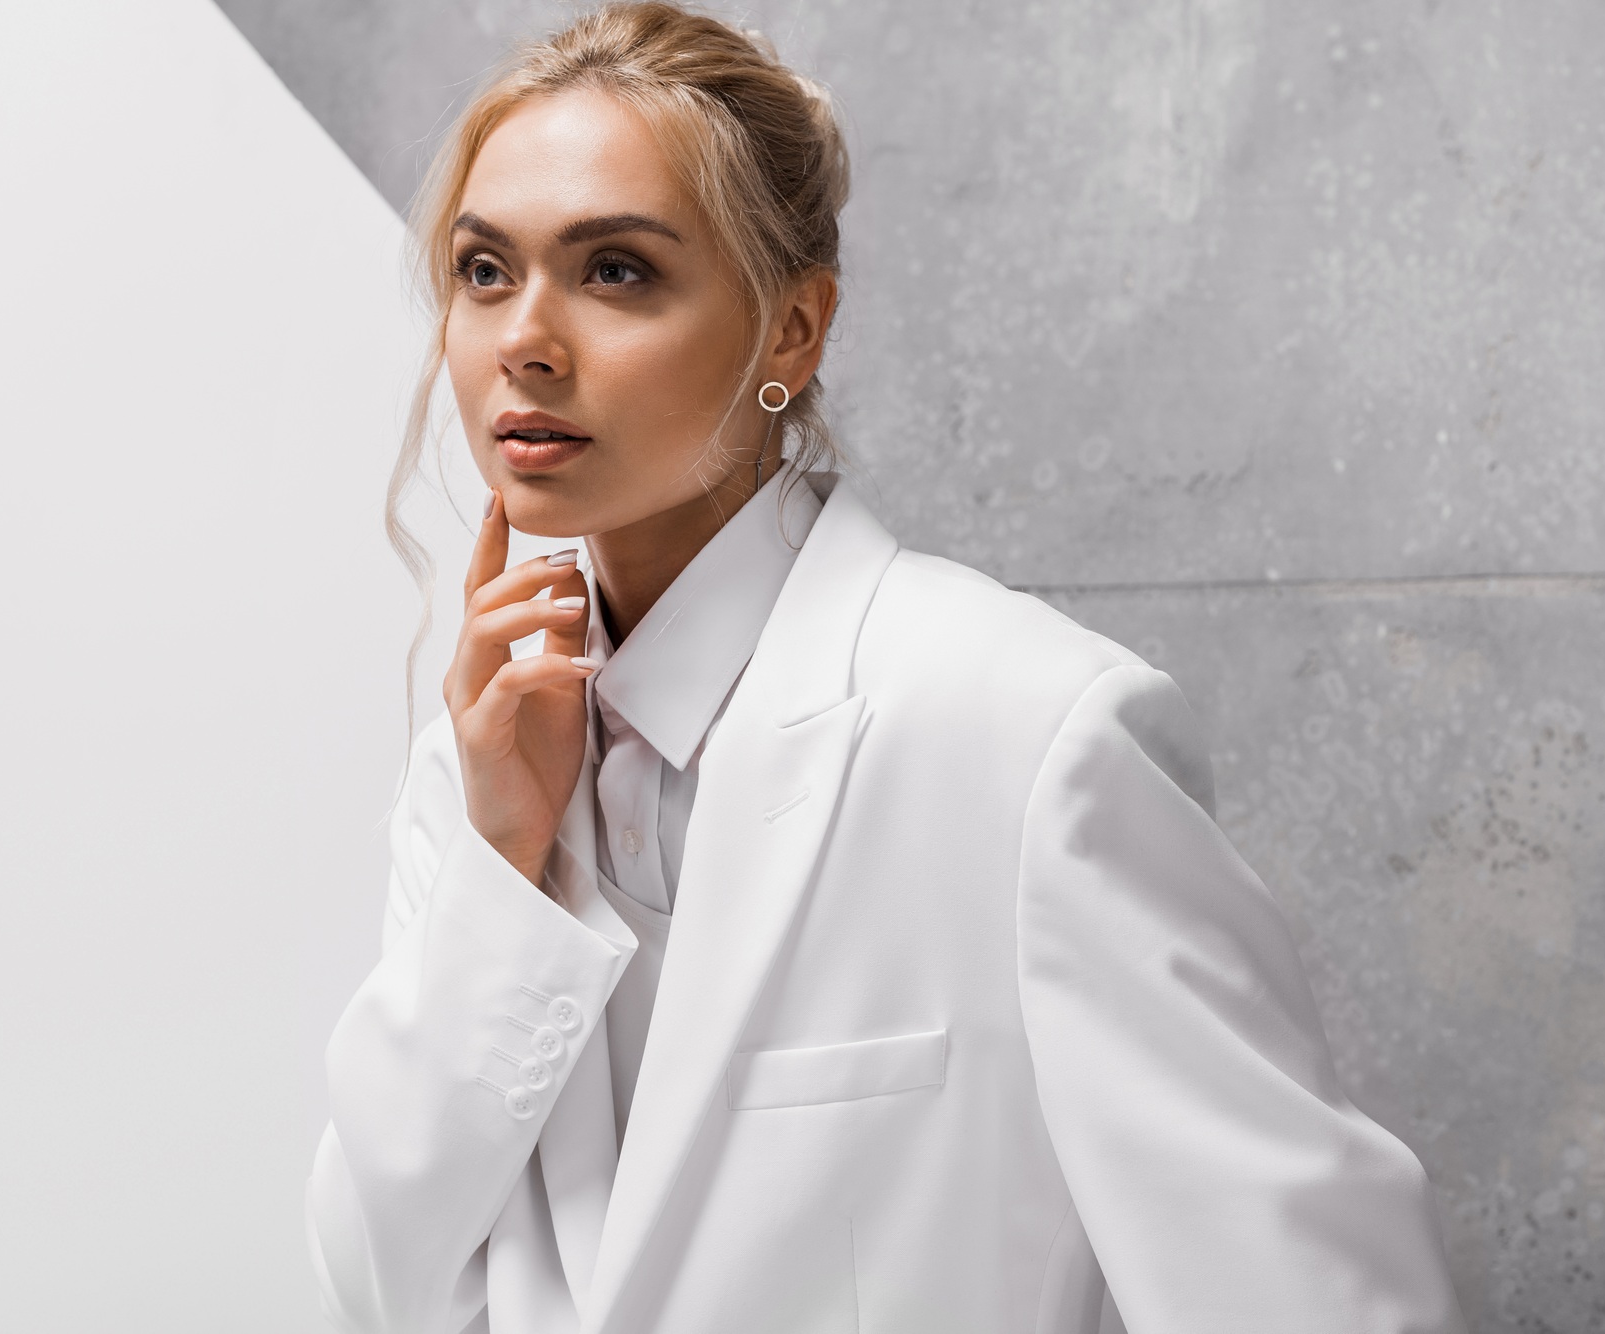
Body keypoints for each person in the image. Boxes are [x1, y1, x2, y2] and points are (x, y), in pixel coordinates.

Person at [306, 5, 1467, 1331]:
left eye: (616, 269)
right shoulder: (479, 764)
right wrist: (500, 864)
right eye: (483, 269)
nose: (526, 337)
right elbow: (370, 1278)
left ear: (790, 334)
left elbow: (1314, 1297)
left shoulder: (1023, 737)